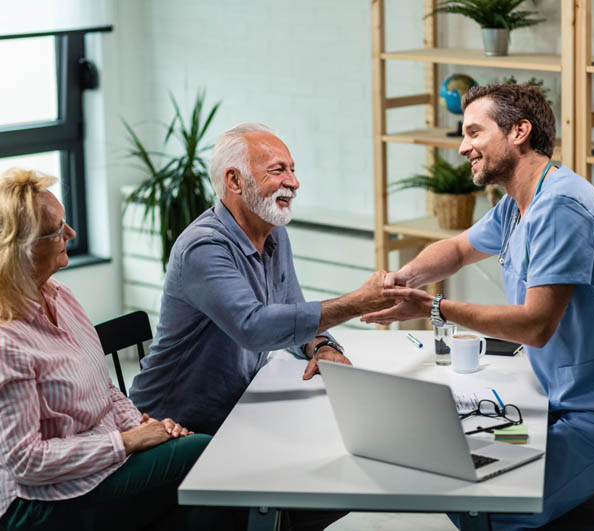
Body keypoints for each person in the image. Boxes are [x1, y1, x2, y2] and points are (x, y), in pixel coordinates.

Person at [362, 83, 594, 529]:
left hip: (591, 414)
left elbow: (535, 325)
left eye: (473, 132)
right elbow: (455, 249)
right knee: (455, 475)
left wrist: (435, 307)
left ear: (519, 132)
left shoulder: (561, 206)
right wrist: (402, 280)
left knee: (491, 512)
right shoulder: (518, 204)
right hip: (554, 397)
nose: (462, 147)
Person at [0, 168, 237, 530]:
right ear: (22, 249)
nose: (71, 234)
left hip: (96, 468)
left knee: (202, 491)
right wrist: (128, 441)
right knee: (205, 455)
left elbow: (105, 388)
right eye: (57, 231)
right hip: (39, 502)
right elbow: (28, 462)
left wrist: (149, 428)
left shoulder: (62, 297)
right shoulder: (7, 340)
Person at [129, 122, 402, 436]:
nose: (294, 182)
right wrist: (358, 302)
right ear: (235, 180)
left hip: (237, 409)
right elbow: (255, 327)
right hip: (173, 428)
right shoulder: (203, 248)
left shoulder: (274, 233)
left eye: (293, 169)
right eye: (278, 171)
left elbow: (294, 313)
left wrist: (323, 347)